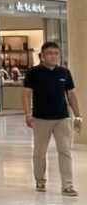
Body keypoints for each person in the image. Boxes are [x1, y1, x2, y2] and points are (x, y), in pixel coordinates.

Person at [23, 41, 83, 196]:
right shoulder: (33, 72)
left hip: (62, 118)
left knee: (65, 151)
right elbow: (26, 94)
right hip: (41, 119)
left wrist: (78, 115)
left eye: (56, 53)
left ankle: (67, 186)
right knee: (39, 152)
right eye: (50, 53)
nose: (53, 56)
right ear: (42, 56)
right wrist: (28, 114)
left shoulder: (64, 72)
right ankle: (40, 181)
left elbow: (71, 95)